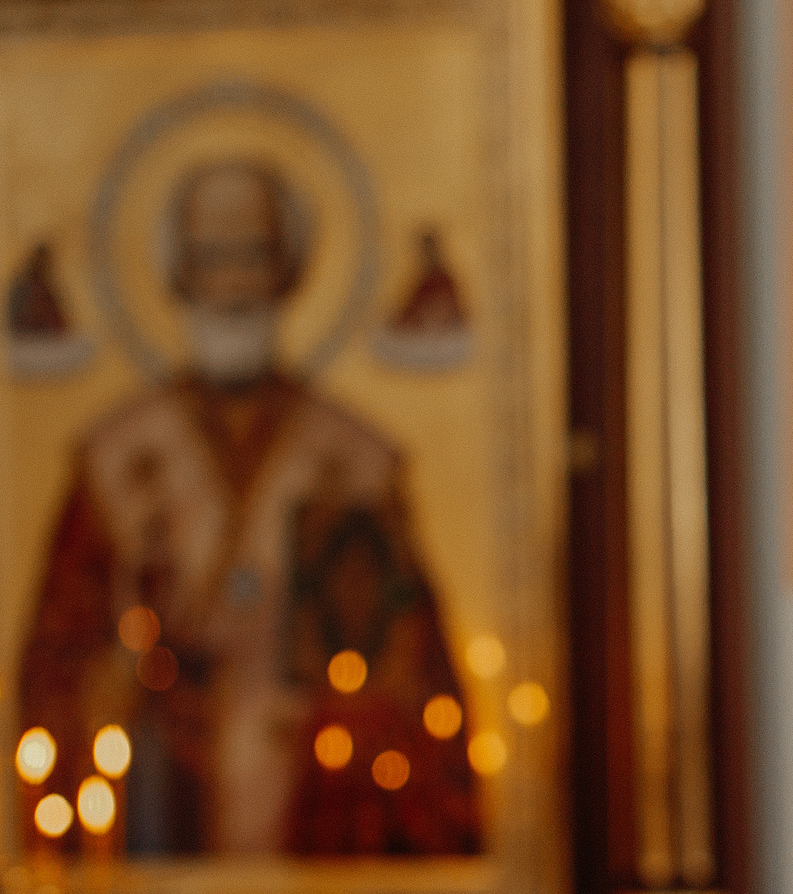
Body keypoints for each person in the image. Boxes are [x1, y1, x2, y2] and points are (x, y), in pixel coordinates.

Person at [16, 156, 478, 858]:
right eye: (209, 258)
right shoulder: (114, 461)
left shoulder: (354, 461)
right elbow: (54, 667)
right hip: (156, 814)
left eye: (252, 256)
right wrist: (132, 686)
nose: (231, 285)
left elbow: (415, 678)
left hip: (321, 824)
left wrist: (349, 707)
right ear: (177, 274)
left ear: (289, 268)